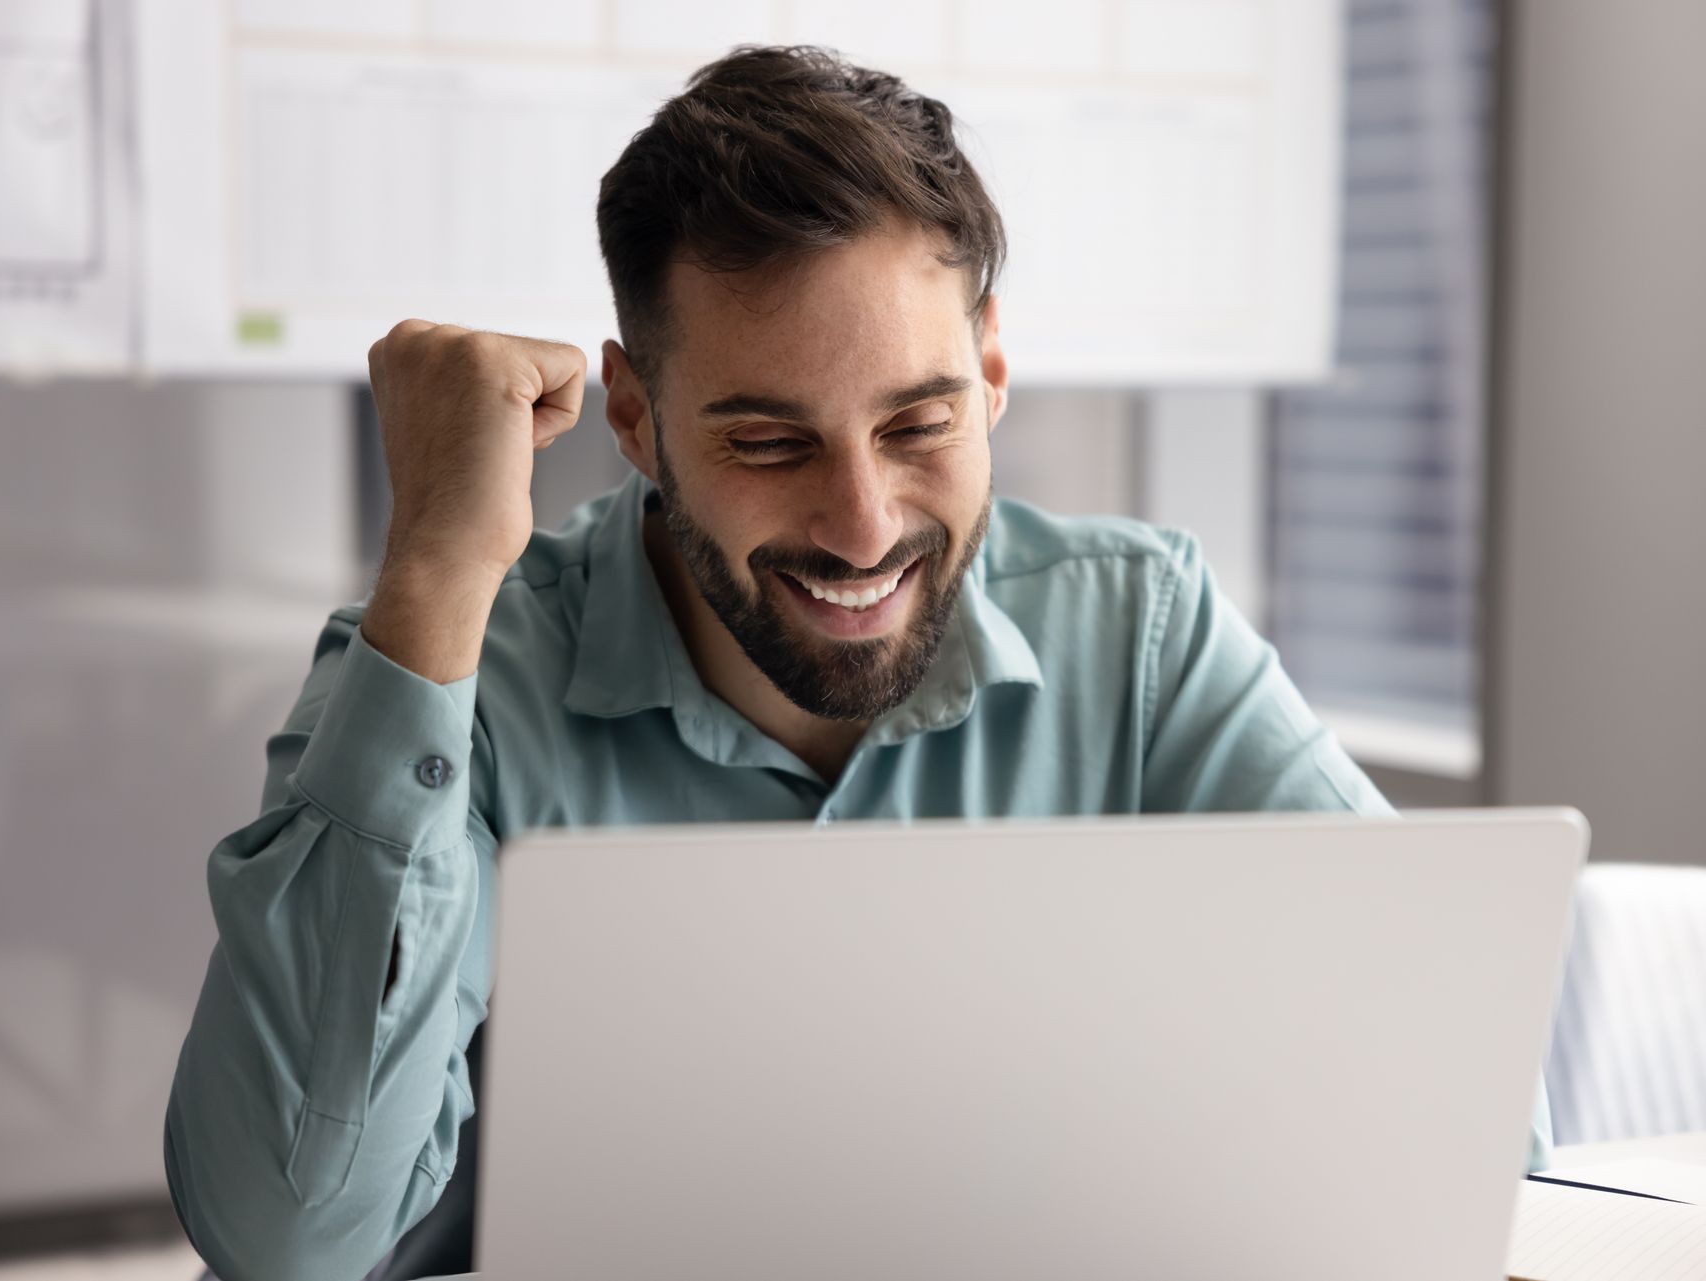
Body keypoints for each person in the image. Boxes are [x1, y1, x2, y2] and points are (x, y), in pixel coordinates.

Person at [163, 44, 1553, 1281]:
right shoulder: (452, 668)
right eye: (769, 442)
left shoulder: (1140, 632)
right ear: (636, 418)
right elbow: (288, 1239)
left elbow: (1445, 1121)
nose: (864, 524)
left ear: (994, 373)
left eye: (920, 423)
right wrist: (431, 572)